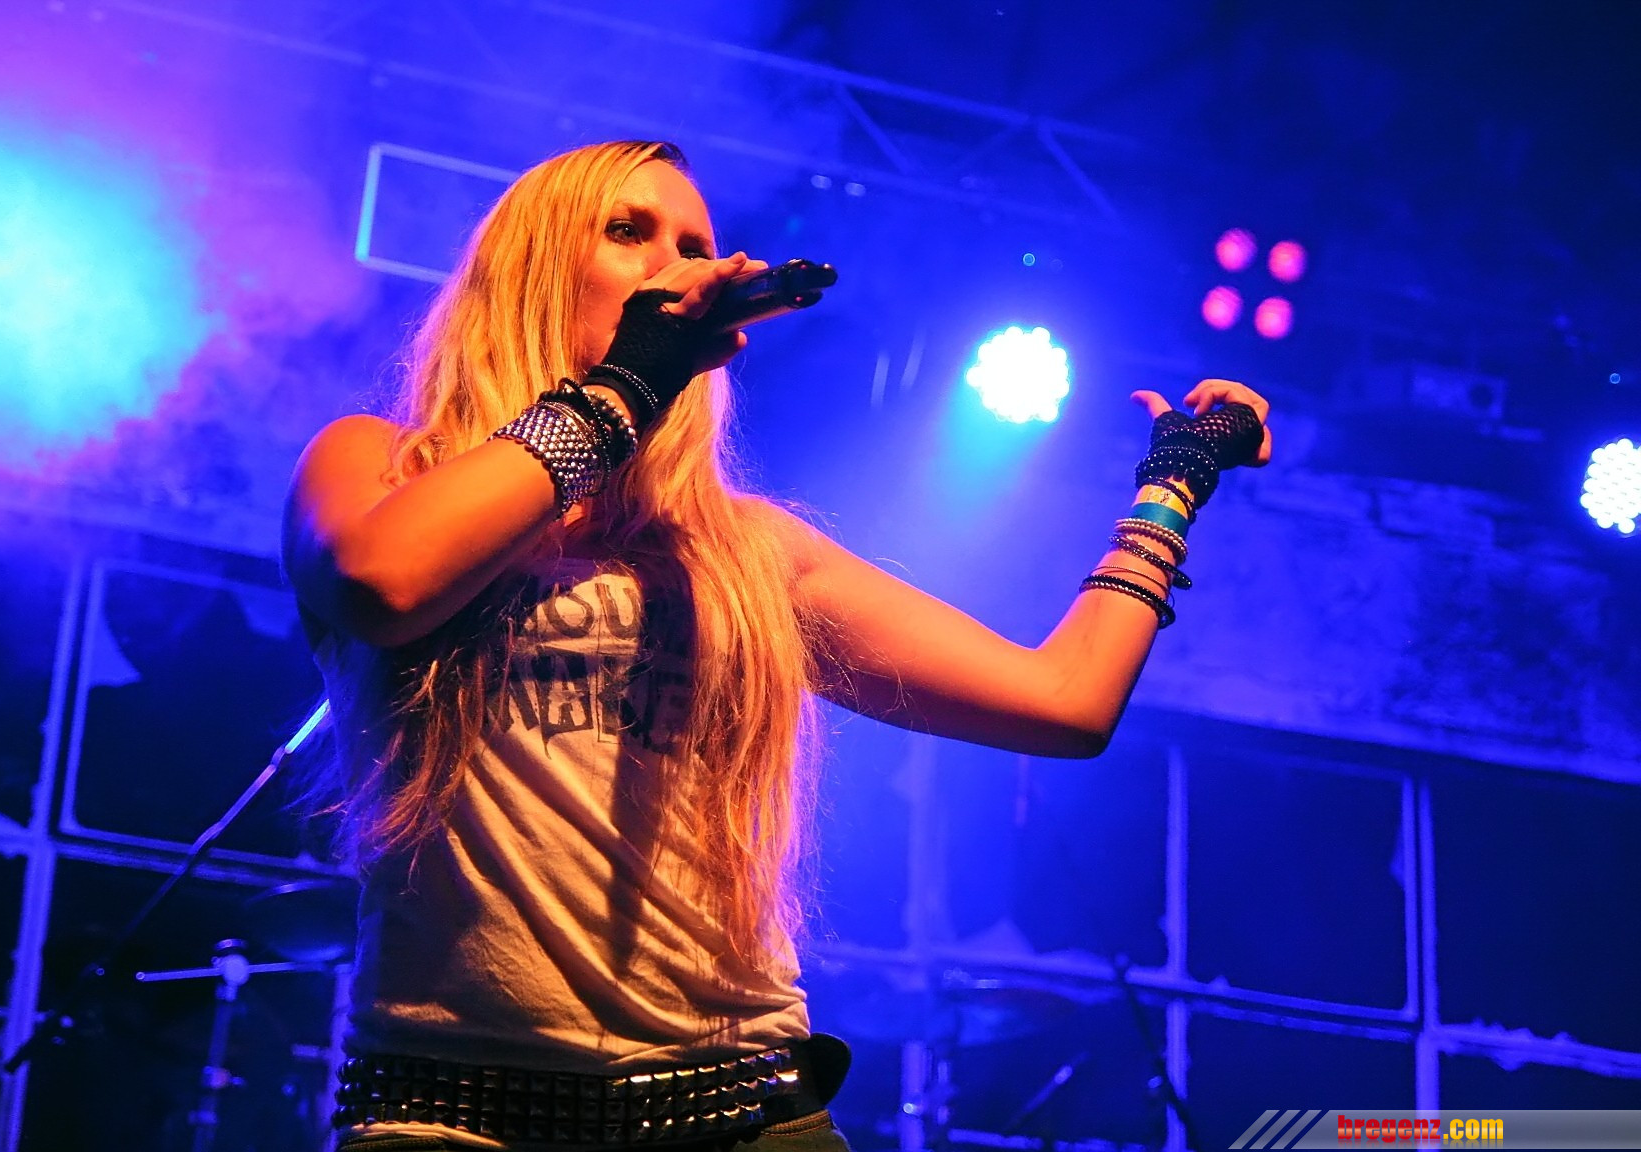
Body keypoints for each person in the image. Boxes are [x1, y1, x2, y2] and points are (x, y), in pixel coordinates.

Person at [282, 139, 1271, 1152]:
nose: (680, 264)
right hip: (450, 1117)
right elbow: (381, 581)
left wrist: (1171, 491)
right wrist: (626, 384)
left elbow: (1066, 701)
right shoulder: (378, 468)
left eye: (694, 245)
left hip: (733, 1113)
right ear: (533, 269)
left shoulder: (750, 554)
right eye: (628, 231)